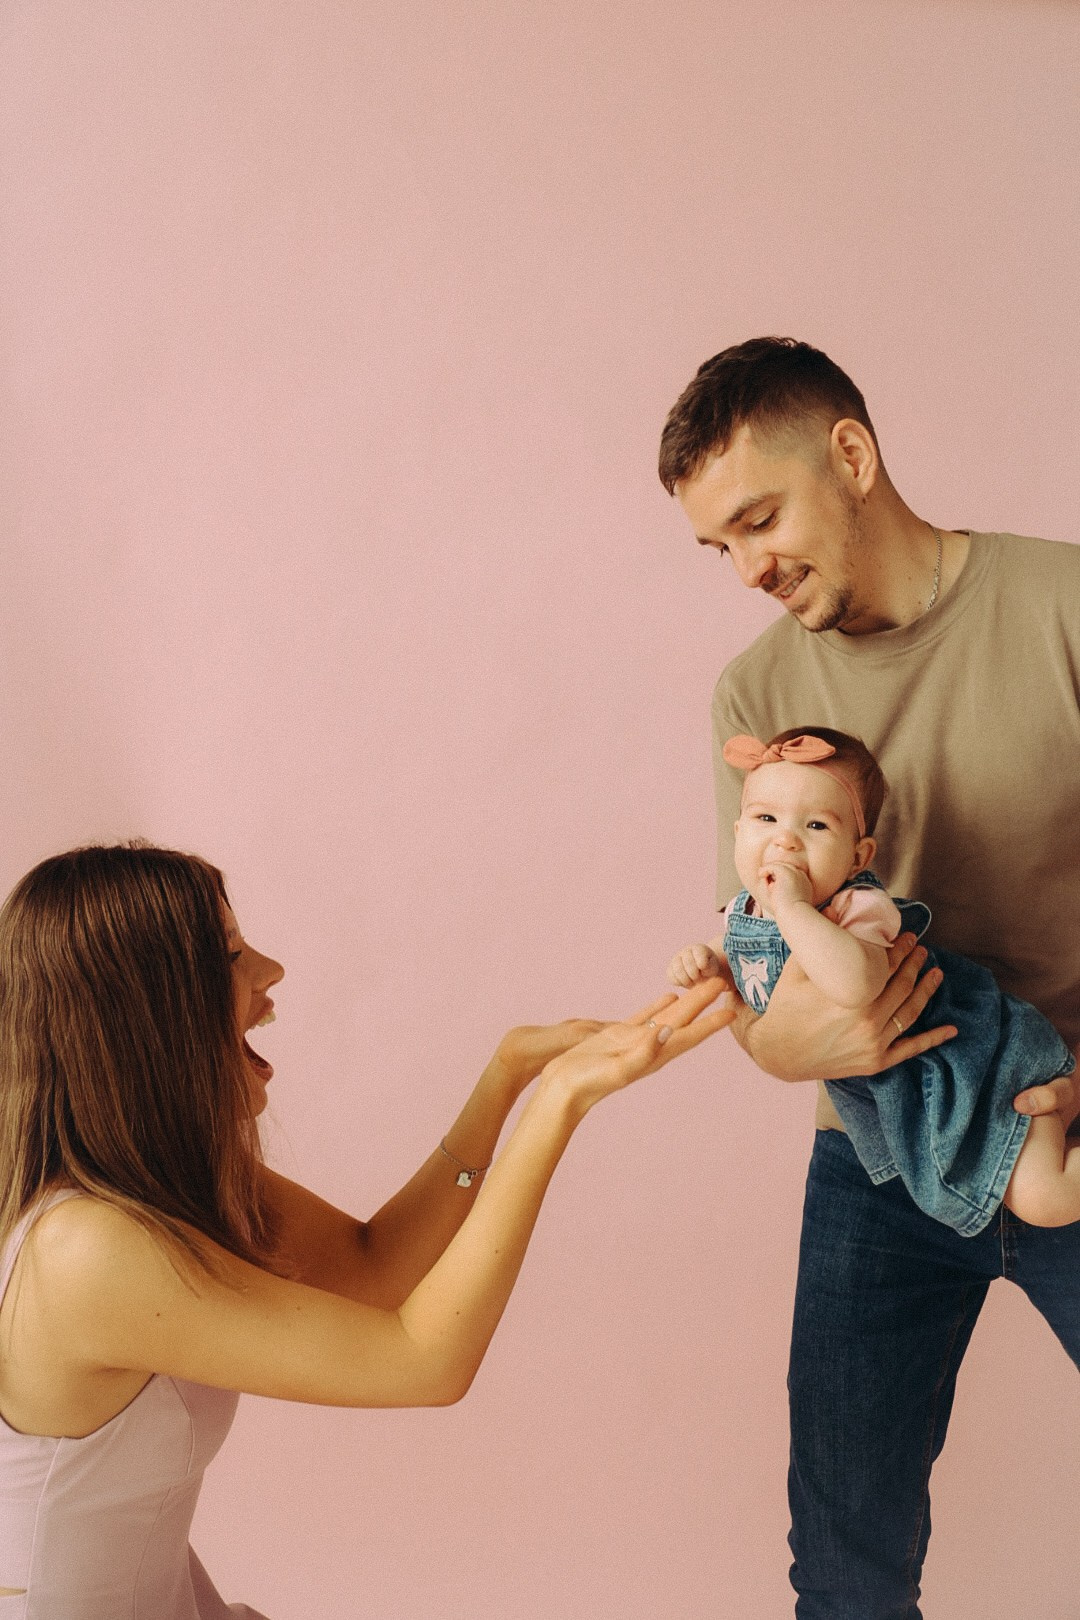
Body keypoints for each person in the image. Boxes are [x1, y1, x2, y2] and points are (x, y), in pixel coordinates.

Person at [0, 842, 731, 1618]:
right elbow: (426, 1363)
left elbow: (377, 1268)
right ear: (150, 1011)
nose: (271, 971)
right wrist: (559, 1105)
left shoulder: (160, 1189)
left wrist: (507, 1077)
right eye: (233, 955)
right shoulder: (86, 1248)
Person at [657, 336, 1080, 1619]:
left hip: (1059, 1111)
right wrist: (780, 1044)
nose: (748, 569)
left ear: (852, 454)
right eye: (717, 547)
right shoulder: (759, 692)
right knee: (846, 1556)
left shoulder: (1059, 605)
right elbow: (764, 975)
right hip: (878, 1157)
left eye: (760, 519)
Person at [667, 725, 1077, 1233]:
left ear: (858, 857)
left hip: (977, 1062)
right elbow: (735, 955)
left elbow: (855, 988)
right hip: (912, 1096)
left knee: (1046, 1200)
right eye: (765, 818)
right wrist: (706, 960)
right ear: (738, 834)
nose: (785, 839)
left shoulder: (860, 908)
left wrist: (793, 906)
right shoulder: (744, 911)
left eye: (816, 826)